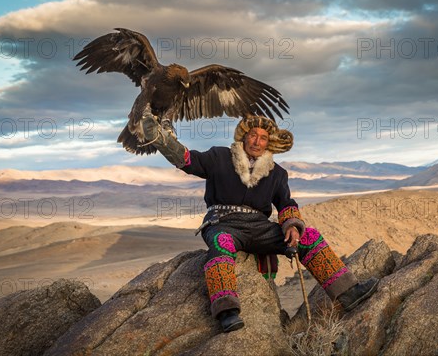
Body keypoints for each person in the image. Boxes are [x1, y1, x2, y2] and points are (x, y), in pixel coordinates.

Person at [141, 114, 379, 333]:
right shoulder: (219, 157)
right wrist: (163, 141)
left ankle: (348, 293)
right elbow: (188, 160)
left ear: (269, 143)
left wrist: (292, 227)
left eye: (263, 138)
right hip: (223, 222)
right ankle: (227, 312)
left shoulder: (277, 173)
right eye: (252, 134)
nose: (256, 141)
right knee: (220, 243)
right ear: (244, 136)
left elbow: (286, 204)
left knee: (310, 237)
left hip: (259, 227)